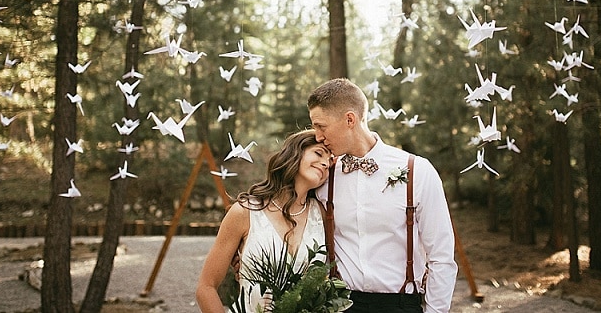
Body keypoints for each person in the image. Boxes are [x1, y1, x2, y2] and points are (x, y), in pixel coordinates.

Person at [308, 78, 458, 313]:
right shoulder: (323, 176)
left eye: (321, 126)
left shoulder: (417, 170)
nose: (317, 136)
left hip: (400, 305)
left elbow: (441, 256)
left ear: (350, 119)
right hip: (341, 305)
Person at [195, 129, 333, 313]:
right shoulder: (245, 212)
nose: (325, 163)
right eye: (318, 153)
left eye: (330, 162)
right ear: (295, 153)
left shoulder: (323, 215)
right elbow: (206, 287)